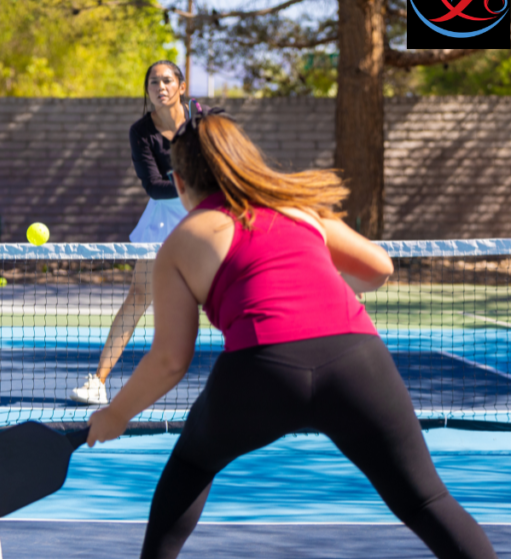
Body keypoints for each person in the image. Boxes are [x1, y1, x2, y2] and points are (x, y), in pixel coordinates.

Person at [86, 110, 497, 559]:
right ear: (245, 162)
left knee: (191, 464)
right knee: (426, 500)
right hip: (357, 361)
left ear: (180, 182)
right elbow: (379, 268)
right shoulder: (296, 208)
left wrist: (117, 415)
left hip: (261, 371)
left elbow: (170, 360)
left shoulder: (181, 241)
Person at [70, 61, 198, 405]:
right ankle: (98, 381)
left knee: (229, 292)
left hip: (207, 217)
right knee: (139, 296)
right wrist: (196, 185)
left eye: (167, 80)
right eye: (154, 82)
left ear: (181, 86)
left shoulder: (203, 119)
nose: (161, 86)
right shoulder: (141, 132)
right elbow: (154, 187)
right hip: (162, 219)